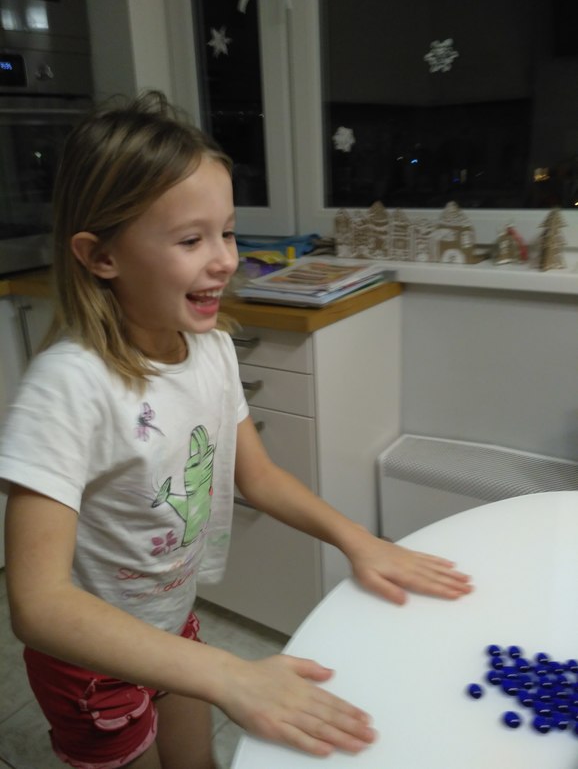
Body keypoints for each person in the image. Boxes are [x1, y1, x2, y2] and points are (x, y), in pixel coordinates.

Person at [0, 91, 471, 769]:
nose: (225, 259)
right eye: (191, 240)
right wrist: (229, 673)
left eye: (226, 231)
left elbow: (260, 476)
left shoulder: (211, 348)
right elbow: (39, 605)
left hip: (171, 622)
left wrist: (360, 541)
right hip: (92, 663)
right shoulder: (68, 388)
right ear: (101, 256)